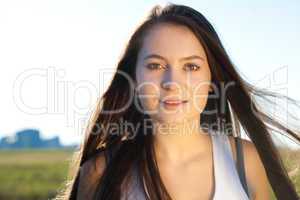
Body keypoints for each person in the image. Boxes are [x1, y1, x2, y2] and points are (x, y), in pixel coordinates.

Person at [55, 3, 300, 200]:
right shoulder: (100, 172)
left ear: (212, 77)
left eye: (191, 66)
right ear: (133, 76)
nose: (172, 82)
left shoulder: (245, 160)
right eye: (156, 65)